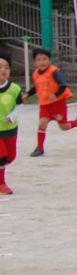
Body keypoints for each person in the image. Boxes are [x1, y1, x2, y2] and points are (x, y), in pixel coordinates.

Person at [23, 47, 77, 157]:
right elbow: (37, 87)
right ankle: (39, 148)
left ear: (49, 60)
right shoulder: (35, 74)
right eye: (39, 60)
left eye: (44, 59)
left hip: (58, 104)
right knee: (42, 123)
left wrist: (55, 95)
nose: (42, 62)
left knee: (64, 127)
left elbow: (63, 85)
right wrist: (28, 94)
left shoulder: (54, 72)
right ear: (34, 62)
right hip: (44, 105)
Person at [0, 56, 21, 195]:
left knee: (11, 156)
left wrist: (12, 116)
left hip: (10, 128)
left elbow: (20, 105)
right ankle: (1, 184)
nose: (3, 70)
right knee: (2, 156)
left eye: (6, 67)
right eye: (0, 67)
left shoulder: (14, 89)